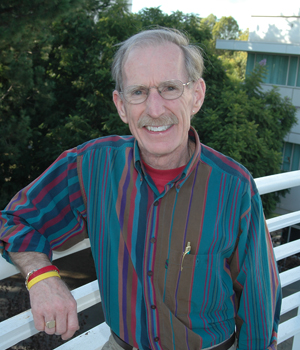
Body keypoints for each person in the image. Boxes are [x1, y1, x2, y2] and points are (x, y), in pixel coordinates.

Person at [0, 28, 281, 350]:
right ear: (121, 105)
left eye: (170, 88)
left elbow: (259, 295)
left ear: (197, 95)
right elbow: (14, 220)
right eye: (138, 92)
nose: (155, 109)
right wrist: (42, 277)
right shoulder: (90, 167)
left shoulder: (234, 185)